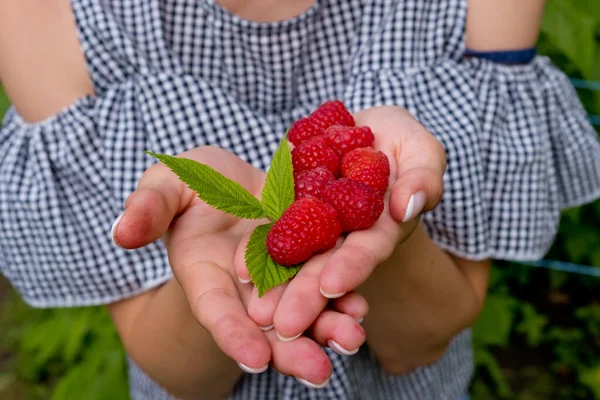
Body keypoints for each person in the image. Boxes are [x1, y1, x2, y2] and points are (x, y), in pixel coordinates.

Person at [1, 0, 599, 399]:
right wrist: (215, 270)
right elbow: (186, 380)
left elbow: (417, 342)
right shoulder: (37, 13)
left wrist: (393, 221)